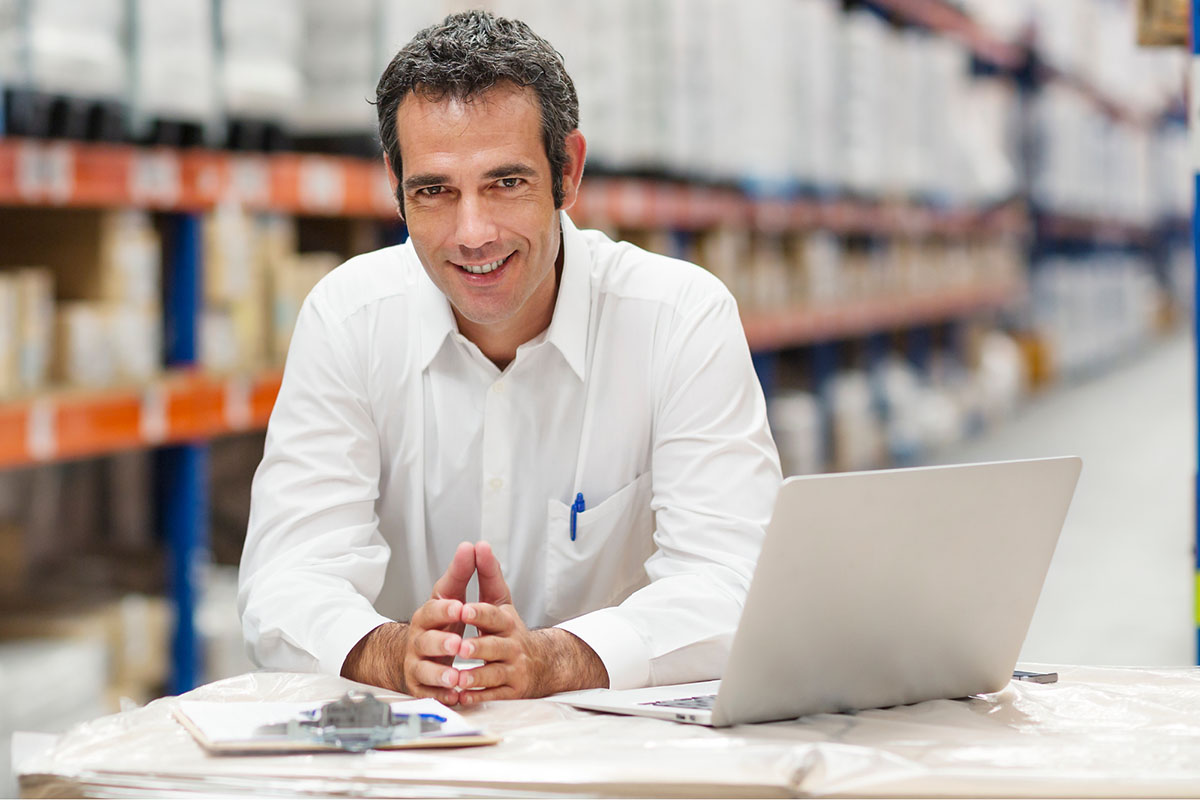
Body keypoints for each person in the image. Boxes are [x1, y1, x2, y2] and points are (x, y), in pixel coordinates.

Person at [238, 10, 780, 707]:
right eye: (434, 191)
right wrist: (398, 653)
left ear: (569, 172)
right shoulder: (347, 322)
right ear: (395, 187)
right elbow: (286, 580)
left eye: (506, 184)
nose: (472, 233)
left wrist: (555, 660)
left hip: (619, 750)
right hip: (416, 750)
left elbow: (736, 581)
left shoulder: (678, 322)